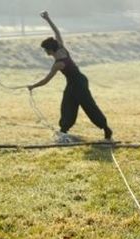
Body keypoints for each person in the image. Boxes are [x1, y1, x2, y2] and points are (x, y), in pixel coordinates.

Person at [28, 11, 113, 141]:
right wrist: (48, 19)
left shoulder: (59, 64)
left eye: (45, 50)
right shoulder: (61, 48)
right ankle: (63, 131)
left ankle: (106, 129)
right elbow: (57, 32)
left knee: (89, 106)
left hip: (79, 83)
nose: (45, 51)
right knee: (67, 105)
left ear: (50, 50)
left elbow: (46, 80)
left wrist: (33, 86)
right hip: (73, 83)